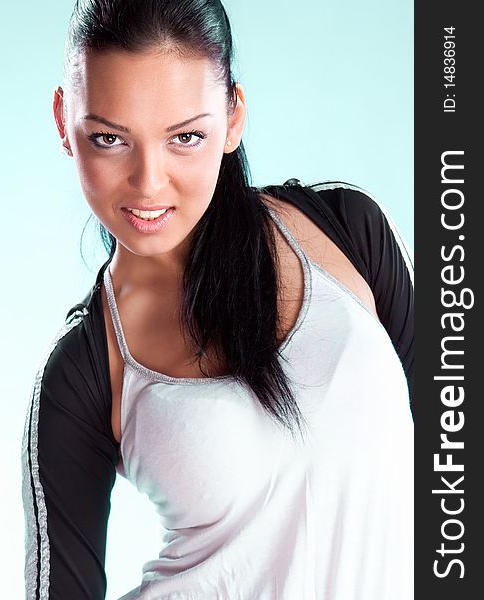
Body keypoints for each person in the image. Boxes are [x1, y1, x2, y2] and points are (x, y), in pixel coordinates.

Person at [21, 0, 414, 598]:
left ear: (233, 117)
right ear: (62, 123)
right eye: (108, 138)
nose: (149, 182)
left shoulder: (349, 231)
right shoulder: (80, 376)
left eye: (185, 136)